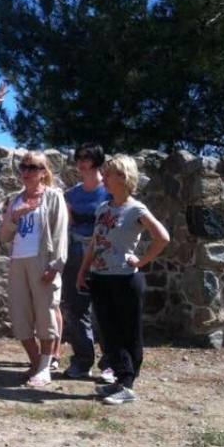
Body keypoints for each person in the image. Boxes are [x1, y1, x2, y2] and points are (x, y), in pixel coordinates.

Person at [77, 154, 170, 405]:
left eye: (109, 174)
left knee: (128, 332)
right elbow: (95, 242)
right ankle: (119, 379)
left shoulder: (136, 209)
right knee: (107, 333)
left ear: (123, 177)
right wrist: (83, 271)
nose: (104, 178)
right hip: (100, 277)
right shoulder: (103, 209)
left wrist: (141, 262)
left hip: (125, 280)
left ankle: (127, 383)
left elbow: (163, 238)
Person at [0, 151, 69, 387]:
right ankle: (36, 363)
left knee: (45, 313)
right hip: (18, 261)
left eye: (33, 167)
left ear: (43, 172)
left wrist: (56, 265)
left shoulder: (53, 197)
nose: (27, 172)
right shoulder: (16, 199)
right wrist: (14, 217)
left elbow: (60, 233)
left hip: (42, 260)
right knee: (20, 315)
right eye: (24, 166)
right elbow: (3, 236)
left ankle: (45, 367)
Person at [61, 143, 112, 382]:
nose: (82, 163)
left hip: (103, 258)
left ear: (97, 161)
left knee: (106, 311)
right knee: (76, 309)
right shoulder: (71, 195)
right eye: (79, 158)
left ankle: (111, 363)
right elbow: (67, 226)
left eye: (87, 158)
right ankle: (82, 361)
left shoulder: (110, 192)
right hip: (75, 255)